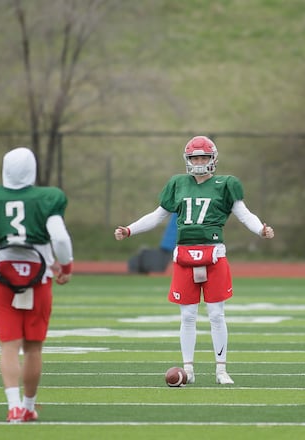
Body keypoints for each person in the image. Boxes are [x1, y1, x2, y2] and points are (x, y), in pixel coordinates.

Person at [114, 135, 274, 385]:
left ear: (213, 159)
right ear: (187, 160)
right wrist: (130, 229)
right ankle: (188, 369)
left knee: (216, 315)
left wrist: (260, 229)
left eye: (203, 157)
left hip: (214, 253)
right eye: (195, 157)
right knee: (187, 316)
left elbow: (244, 214)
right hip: (184, 255)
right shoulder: (178, 183)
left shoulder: (226, 184)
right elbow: (157, 216)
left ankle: (221, 369)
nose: (199, 161)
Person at [0, 147, 73, 423]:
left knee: (9, 346)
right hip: (39, 277)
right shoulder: (47, 198)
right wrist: (67, 266)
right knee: (33, 348)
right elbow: (59, 238)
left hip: (4, 277)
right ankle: (28, 407)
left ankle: (13, 407)